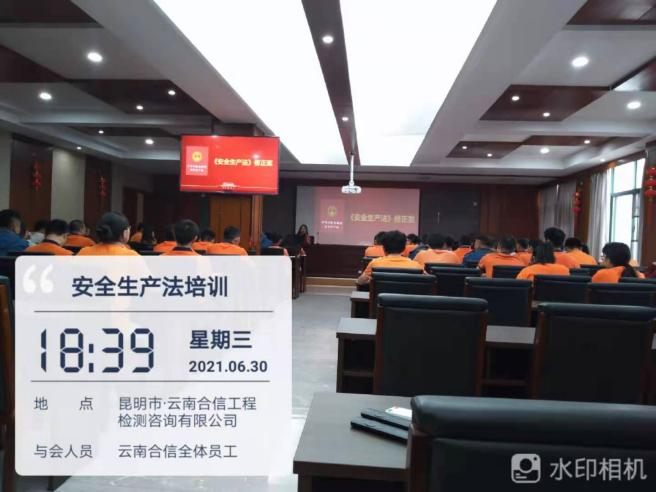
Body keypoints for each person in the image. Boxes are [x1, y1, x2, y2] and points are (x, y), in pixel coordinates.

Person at [357, 230, 423, 285]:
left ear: (384, 248)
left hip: (380, 297)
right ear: (404, 248)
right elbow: (427, 281)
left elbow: (360, 282)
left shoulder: (375, 263)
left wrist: (372, 281)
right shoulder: (416, 265)